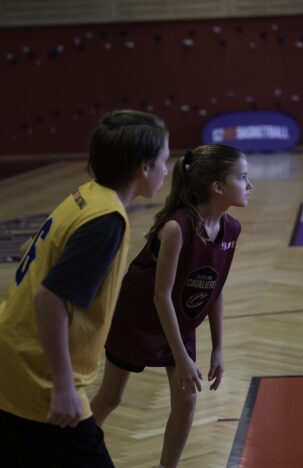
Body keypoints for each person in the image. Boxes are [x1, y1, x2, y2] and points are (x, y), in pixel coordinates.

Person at [0, 109, 170, 467]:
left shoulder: (85, 196)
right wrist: (63, 387)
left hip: (14, 355)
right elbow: (49, 299)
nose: (166, 170)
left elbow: (31, 252)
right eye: (164, 161)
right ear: (143, 167)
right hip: (37, 373)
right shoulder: (106, 221)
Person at [91, 144, 252, 468]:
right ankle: (65, 447)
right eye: (242, 177)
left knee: (187, 402)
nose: (249, 185)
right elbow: (160, 295)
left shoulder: (231, 229)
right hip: (137, 318)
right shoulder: (176, 228)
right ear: (218, 187)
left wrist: (218, 348)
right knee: (111, 397)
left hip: (179, 320)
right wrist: (181, 357)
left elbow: (216, 287)